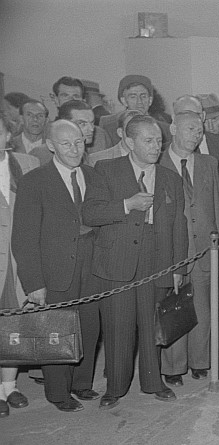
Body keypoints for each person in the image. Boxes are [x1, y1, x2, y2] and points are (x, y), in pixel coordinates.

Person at [83, 116, 188, 409]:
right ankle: (115, 387)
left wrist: (178, 268)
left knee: (152, 324)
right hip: (116, 261)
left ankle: (153, 382)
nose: (157, 147)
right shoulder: (105, 170)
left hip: (157, 261)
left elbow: (179, 226)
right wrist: (127, 205)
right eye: (149, 141)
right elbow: (90, 214)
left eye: (159, 141)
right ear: (129, 142)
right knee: (118, 327)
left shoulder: (170, 178)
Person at [12, 120, 102, 412]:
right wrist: (33, 283)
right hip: (54, 272)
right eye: (66, 144)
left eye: (78, 142)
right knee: (56, 332)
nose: (75, 149)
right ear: (50, 145)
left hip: (91, 267)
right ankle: (58, 392)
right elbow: (23, 238)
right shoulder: (34, 181)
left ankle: (81, 383)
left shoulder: (92, 174)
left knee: (89, 326)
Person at [159, 111, 219, 386]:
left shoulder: (209, 163)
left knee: (203, 309)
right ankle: (173, 367)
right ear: (173, 128)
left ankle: (200, 361)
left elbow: (216, 208)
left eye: (199, 131)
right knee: (173, 309)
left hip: (204, 248)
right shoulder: (158, 161)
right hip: (172, 250)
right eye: (189, 129)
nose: (195, 135)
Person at [0, 111, 38, 417]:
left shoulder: (27, 164)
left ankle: (10, 387)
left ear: (7, 135)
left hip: (17, 260)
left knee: (14, 324)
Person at [98, 75, 170, 147]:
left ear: (150, 100)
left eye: (143, 96)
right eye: (133, 97)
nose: (139, 101)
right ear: (124, 101)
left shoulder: (165, 129)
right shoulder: (108, 126)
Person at [30, 100, 106, 165]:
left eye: (92, 123)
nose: (91, 129)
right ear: (65, 123)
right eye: (82, 123)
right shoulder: (41, 154)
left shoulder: (84, 154)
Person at [49, 76, 112, 153]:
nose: (71, 100)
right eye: (65, 96)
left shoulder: (99, 135)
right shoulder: (48, 132)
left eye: (76, 96)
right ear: (55, 99)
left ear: (83, 100)